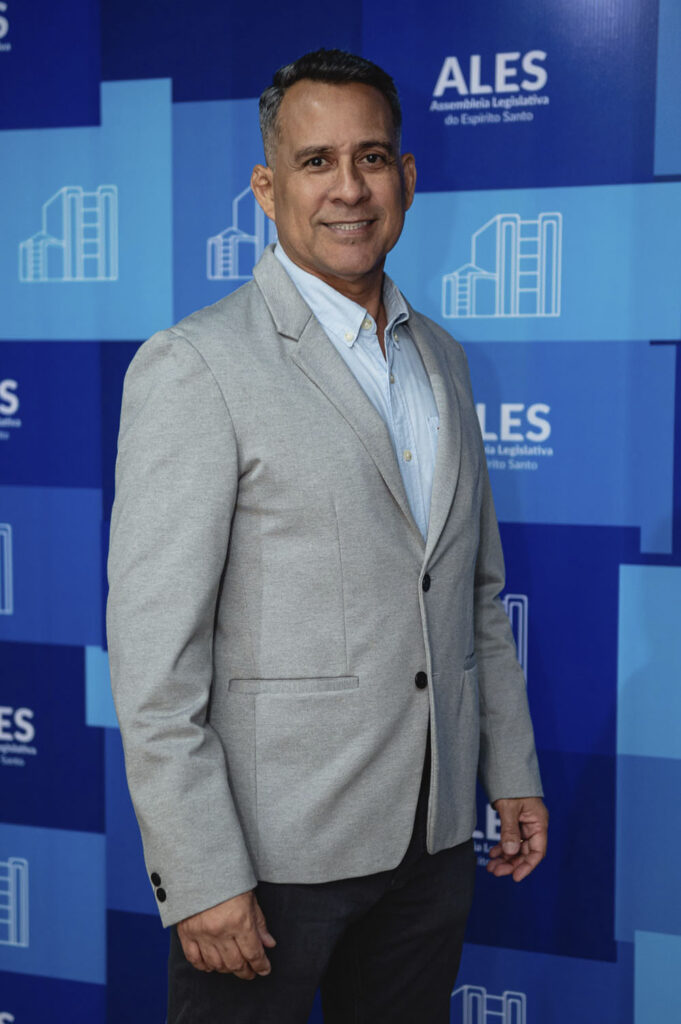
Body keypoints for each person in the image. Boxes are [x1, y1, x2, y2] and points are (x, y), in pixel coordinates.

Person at [107, 48, 548, 1024]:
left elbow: (473, 594)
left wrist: (509, 770)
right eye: (315, 162)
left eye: (371, 157)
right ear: (267, 189)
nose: (349, 188)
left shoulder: (443, 359)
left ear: (407, 177)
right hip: (267, 862)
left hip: (431, 843)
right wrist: (200, 869)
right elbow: (153, 659)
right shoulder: (196, 364)